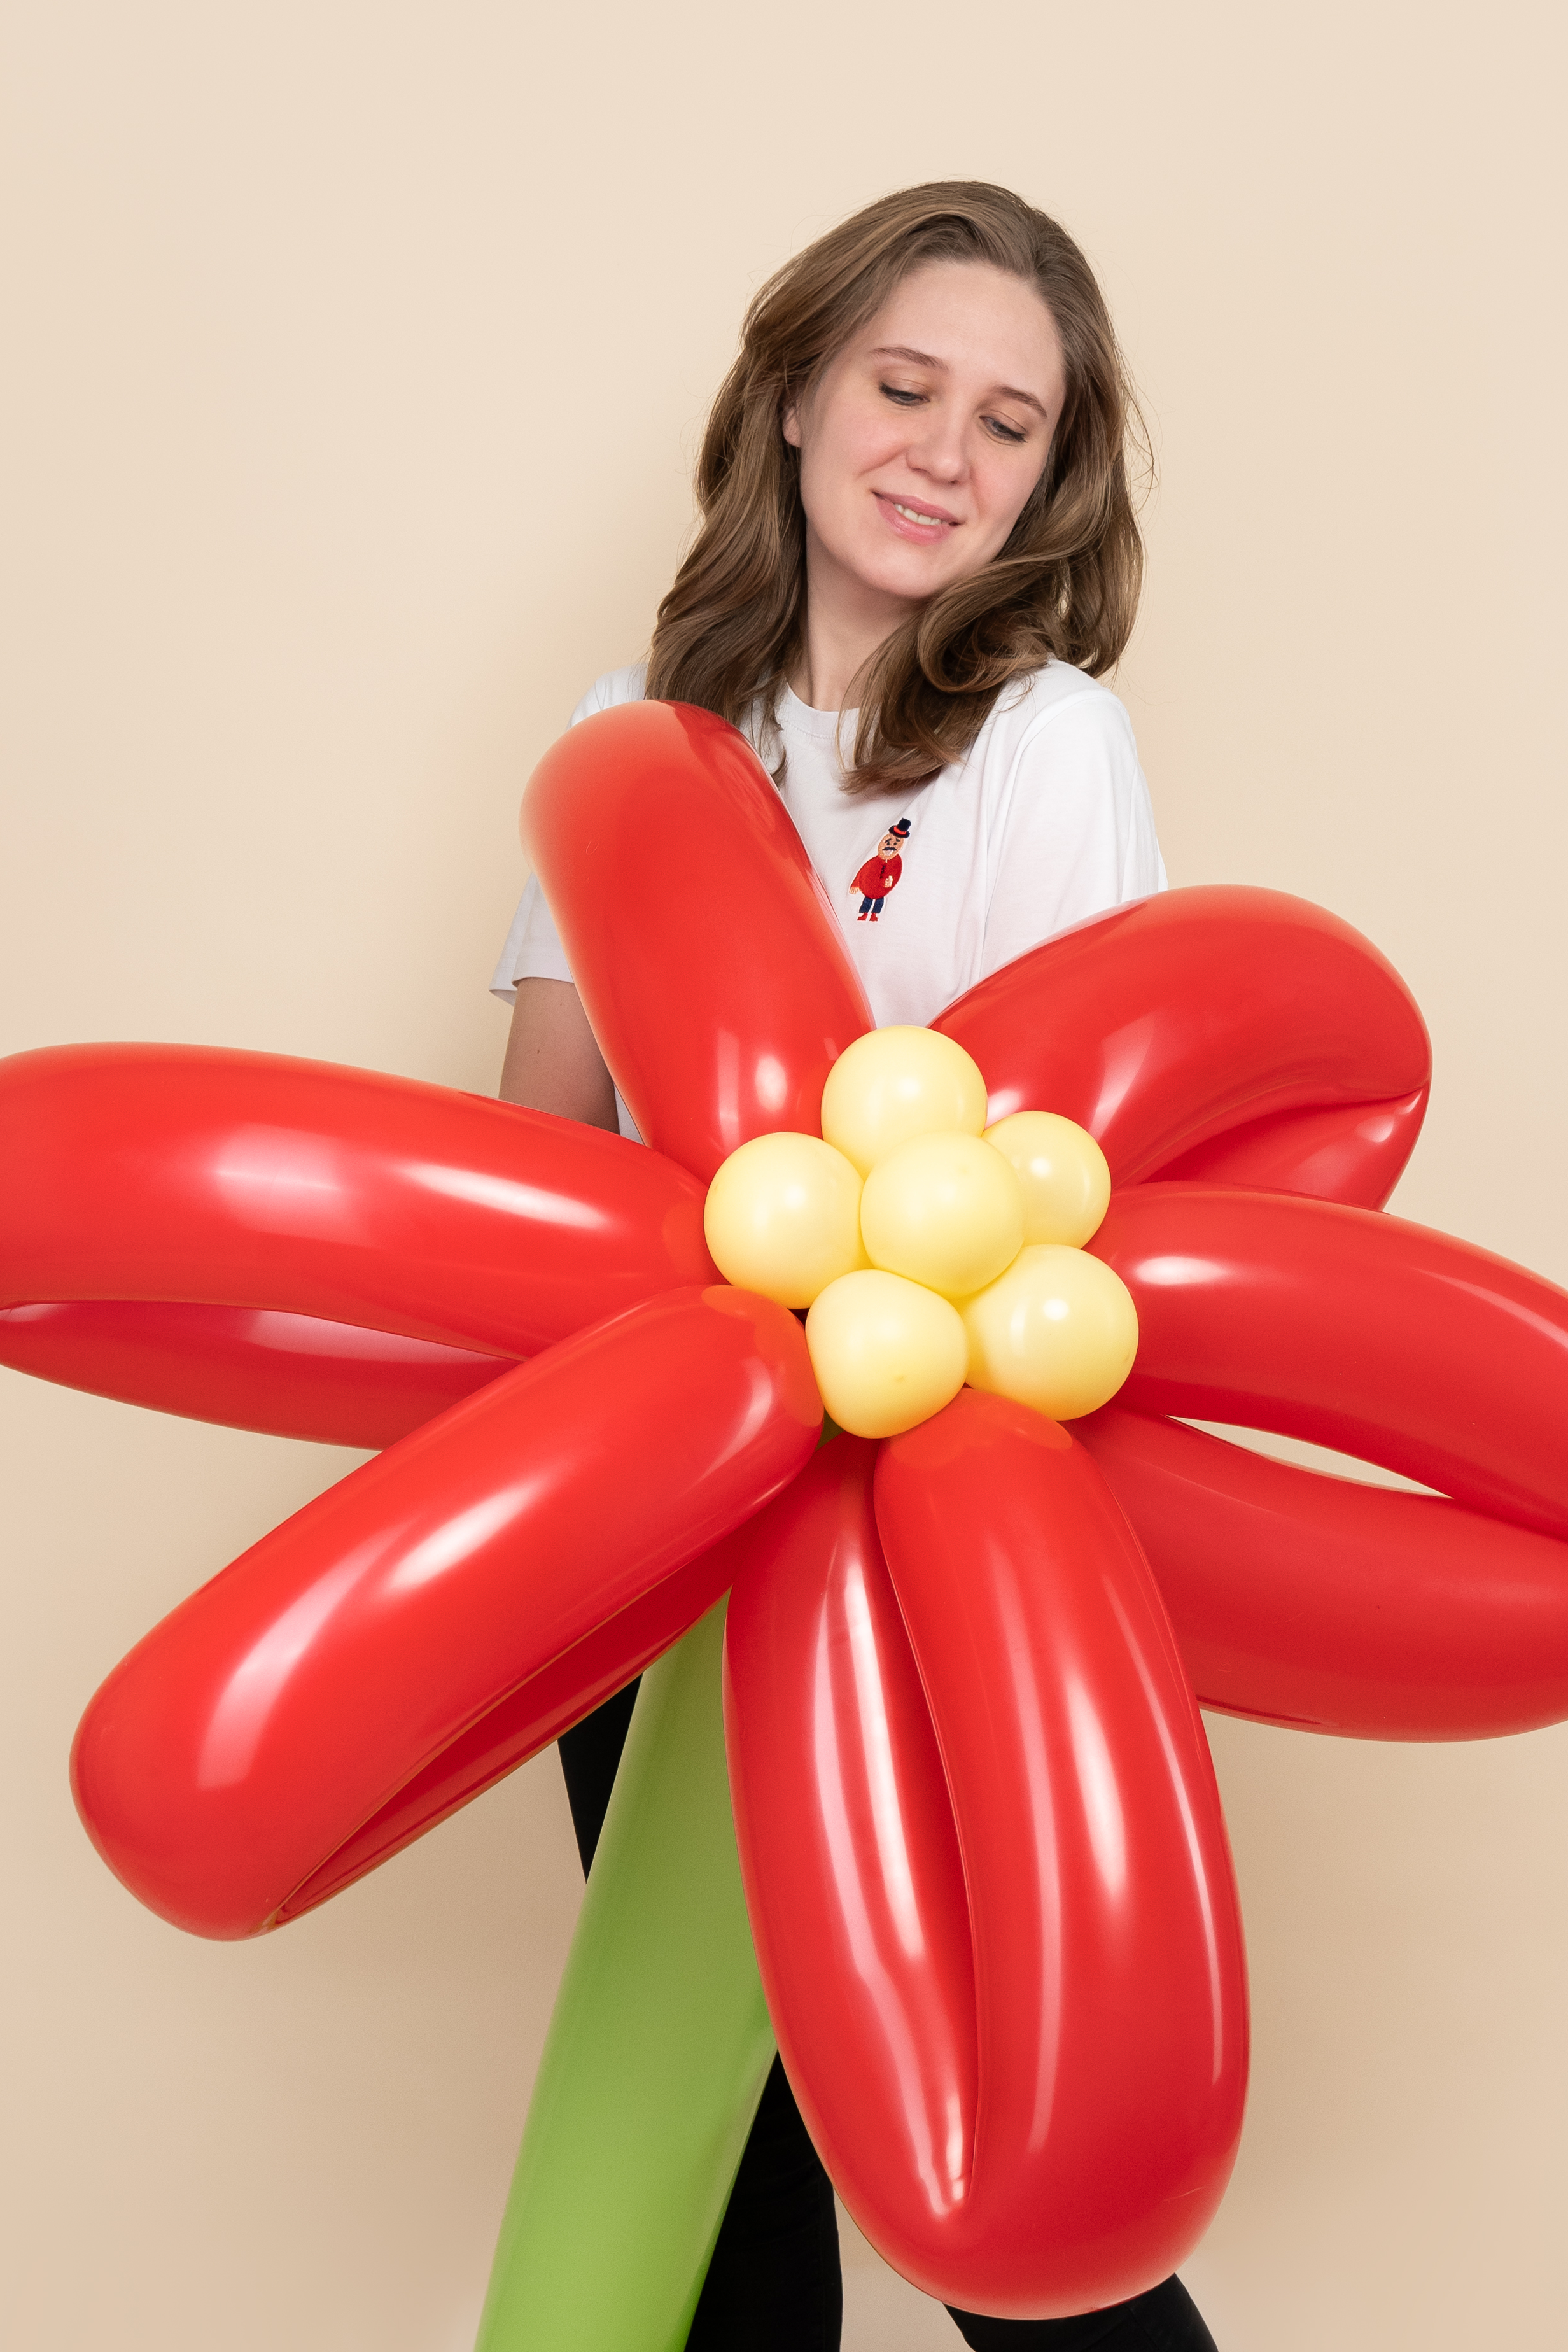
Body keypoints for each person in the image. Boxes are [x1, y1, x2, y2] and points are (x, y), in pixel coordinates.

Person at [489, 181, 1214, 2352]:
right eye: (904, 387)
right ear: (796, 395)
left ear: (1048, 481)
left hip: (922, 1532)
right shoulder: (631, 734)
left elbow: (1066, 1173)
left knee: (987, 2153)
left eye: (1008, 423)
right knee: (724, 2176)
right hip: (644, 1513)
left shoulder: (1046, 743)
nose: (943, 454)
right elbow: (546, 1151)